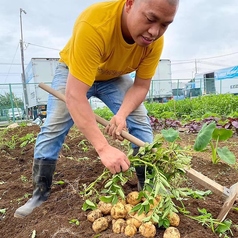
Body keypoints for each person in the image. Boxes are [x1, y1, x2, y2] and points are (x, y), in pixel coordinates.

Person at [14, 0, 179, 218]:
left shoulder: (154, 40)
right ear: (130, 4)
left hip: (115, 76)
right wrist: (103, 148)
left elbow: (141, 86)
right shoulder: (94, 24)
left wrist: (121, 115)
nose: (154, 31)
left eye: (165, 25)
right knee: (54, 125)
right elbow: (74, 95)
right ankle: (39, 195)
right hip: (74, 73)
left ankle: (148, 189)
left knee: (138, 121)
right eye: (150, 19)